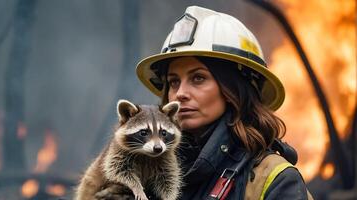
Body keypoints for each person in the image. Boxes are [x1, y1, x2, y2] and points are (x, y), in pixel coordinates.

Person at [96, 6, 313, 200]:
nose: (180, 94)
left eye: (198, 78)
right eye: (173, 82)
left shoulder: (275, 179)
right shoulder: (138, 169)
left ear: (233, 90)